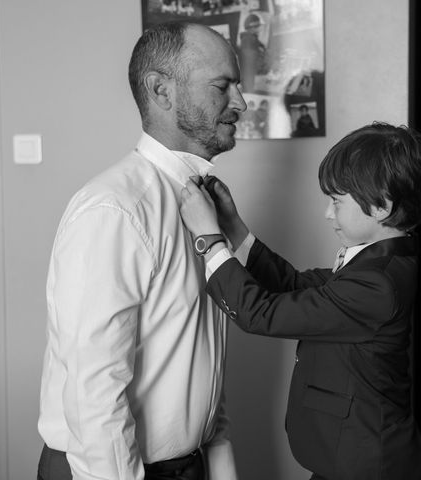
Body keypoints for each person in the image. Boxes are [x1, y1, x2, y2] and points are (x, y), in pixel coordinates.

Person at [37, 21, 246, 480]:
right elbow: (95, 390)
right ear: (161, 90)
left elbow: (197, 355)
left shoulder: (204, 203)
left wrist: (220, 463)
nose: (241, 103)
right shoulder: (115, 210)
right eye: (222, 86)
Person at [179, 122, 421, 480]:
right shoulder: (376, 262)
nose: (328, 213)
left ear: (381, 206)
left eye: (337, 201)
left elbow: (260, 315)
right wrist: (233, 228)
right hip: (344, 457)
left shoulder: (377, 283)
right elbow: (295, 285)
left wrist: (208, 240)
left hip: (367, 465)